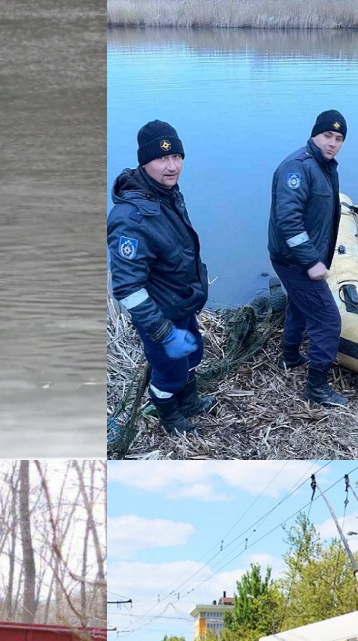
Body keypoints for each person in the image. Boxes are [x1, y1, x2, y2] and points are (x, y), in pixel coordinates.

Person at [108, 120, 213, 435]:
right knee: (168, 373)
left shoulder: (167, 193)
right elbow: (127, 288)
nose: (172, 167)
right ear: (144, 162)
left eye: (177, 157)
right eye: (162, 159)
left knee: (193, 353)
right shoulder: (130, 219)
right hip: (161, 315)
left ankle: (190, 402)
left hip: (181, 303)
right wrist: (162, 330)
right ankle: (170, 419)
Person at [269, 110, 349, 407]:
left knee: (300, 305)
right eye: (327, 136)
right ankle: (316, 388)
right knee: (328, 320)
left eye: (338, 139)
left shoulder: (324, 166)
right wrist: (311, 261)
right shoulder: (298, 167)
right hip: (294, 260)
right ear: (315, 134)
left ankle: (289, 357)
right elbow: (288, 221)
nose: (332, 143)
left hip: (300, 257)